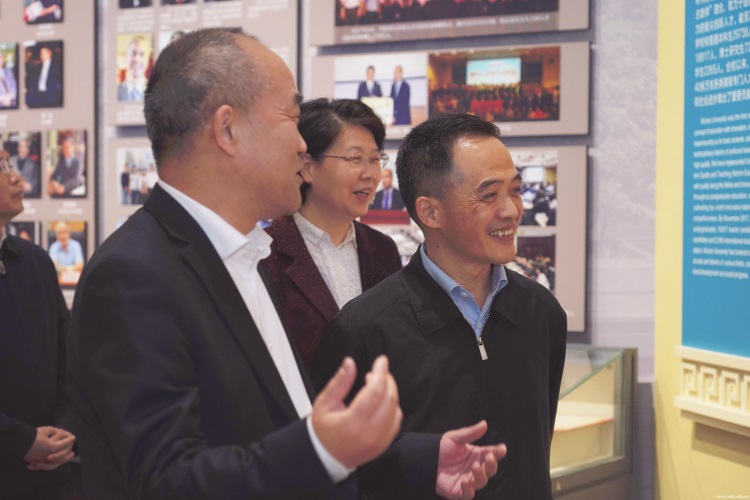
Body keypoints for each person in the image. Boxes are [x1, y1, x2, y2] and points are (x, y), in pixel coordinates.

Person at [66, 27, 406, 499]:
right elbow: (167, 479)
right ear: (227, 130)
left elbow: (278, 424)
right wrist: (320, 449)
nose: (303, 146)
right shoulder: (133, 276)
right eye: (291, 118)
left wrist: (426, 461)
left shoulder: (249, 255)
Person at [312, 113, 568, 499]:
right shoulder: (364, 329)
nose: (512, 210)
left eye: (515, 190)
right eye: (489, 195)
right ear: (430, 212)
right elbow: (334, 468)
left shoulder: (541, 312)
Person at [261, 98, 402, 374]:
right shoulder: (266, 253)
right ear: (307, 166)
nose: (370, 174)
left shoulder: (383, 249)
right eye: (355, 158)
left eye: (375, 159)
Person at [0, 150, 77, 500]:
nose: (15, 177)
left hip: (50, 474)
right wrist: (20, 441)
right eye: (1, 167)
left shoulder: (35, 261)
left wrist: (65, 430)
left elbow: (69, 358)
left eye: (11, 165)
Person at [117, 36, 149, 102]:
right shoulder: (114, 92)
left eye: (142, 54)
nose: (137, 59)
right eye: (133, 53)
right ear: (126, 58)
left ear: (147, 61)